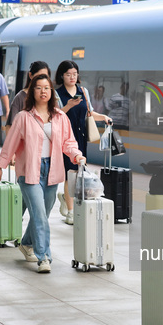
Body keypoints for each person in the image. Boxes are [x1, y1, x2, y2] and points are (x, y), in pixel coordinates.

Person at [0, 74, 85, 273]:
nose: (43, 91)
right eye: (38, 88)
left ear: (51, 92)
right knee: (40, 214)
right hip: (29, 171)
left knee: (42, 212)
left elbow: (68, 142)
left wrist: (77, 155)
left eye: (47, 88)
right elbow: (10, 144)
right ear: (32, 92)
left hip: (53, 170)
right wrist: (1, 165)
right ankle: (44, 257)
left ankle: (26, 243)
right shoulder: (23, 117)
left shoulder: (60, 117)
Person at [54, 60, 111, 225]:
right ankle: (71, 212)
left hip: (80, 137)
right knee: (70, 175)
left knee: (78, 173)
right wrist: (68, 106)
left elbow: (90, 112)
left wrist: (104, 118)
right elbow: (54, 115)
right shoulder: (57, 94)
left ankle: (67, 198)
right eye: (68, 74)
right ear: (62, 76)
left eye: (74, 74)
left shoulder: (83, 91)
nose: (72, 77)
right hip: (65, 138)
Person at [6, 61, 52, 129]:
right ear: (30, 75)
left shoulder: (50, 96)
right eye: (39, 76)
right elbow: (10, 126)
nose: (41, 80)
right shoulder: (20, 97)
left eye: (45, 77)